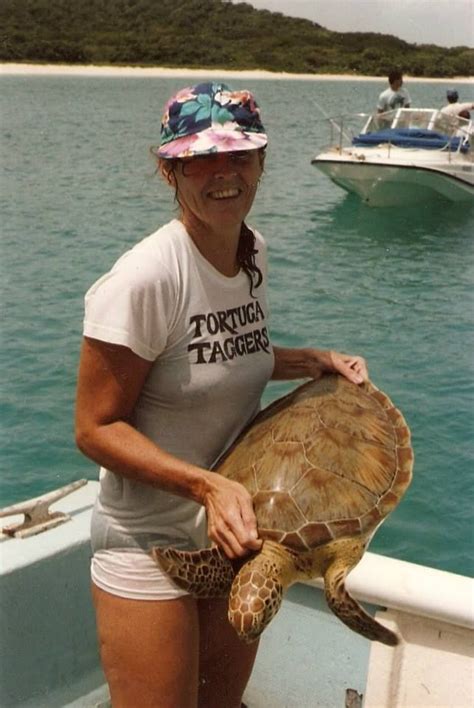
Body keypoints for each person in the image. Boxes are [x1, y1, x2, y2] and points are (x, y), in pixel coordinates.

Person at [75, 81, 368, 708]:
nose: (222, 174)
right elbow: (94, 428)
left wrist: (306, 361)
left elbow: (223, 355)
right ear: (168, 171)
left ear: (262, 162)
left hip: (237, 541)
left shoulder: (250, 251)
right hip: (147, 541)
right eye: (200, 159)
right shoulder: (147, 277)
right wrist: (206, 487)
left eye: (238, 155)